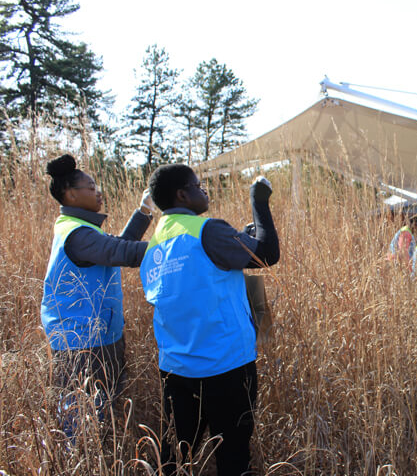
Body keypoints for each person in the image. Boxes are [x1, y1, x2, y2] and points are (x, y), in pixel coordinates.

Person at [140, 164, 279, 476]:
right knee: (233, 453)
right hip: (226, 366)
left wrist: (239, 239)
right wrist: (259, 201)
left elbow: (196, 277)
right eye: (198, 185)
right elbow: (268, 253)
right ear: (182, 194)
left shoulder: (156, 243)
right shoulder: (208, 230)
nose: (205, 191)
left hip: (175, 369)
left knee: (176, 454)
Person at [40, 154, 153, 438]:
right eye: (91, 187)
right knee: (82, 416)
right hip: (83, 341)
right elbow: (123, 252)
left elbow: (116, 247)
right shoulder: (77, 234)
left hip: (99, 335)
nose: (98, 192)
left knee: (101, 410)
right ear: (71, 194)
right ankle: (79, 460)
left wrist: (143, 213)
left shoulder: (84, 230)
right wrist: (177, 246)